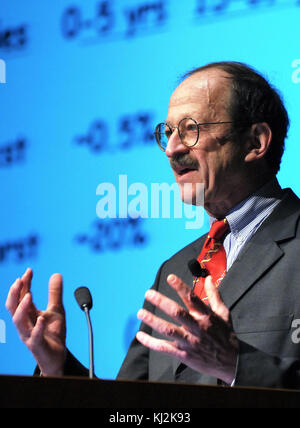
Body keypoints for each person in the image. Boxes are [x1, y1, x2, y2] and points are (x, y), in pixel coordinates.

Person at [6, 61, 300, 389]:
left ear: (255, 142)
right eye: (169, 132)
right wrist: (58, 366)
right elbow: (127, 407)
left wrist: (235, 365)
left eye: (191, 129)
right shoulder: (172, 272)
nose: (172, 149)